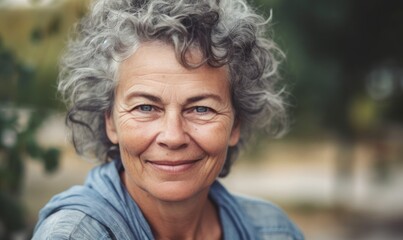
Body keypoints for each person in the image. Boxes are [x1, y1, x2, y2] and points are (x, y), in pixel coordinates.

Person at [33, 0, 304, 239]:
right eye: (145, 108)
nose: (173, 137)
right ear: (110, 122)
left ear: (236, 124)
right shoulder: (74, 235)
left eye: (201, 109)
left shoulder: (274, 231)